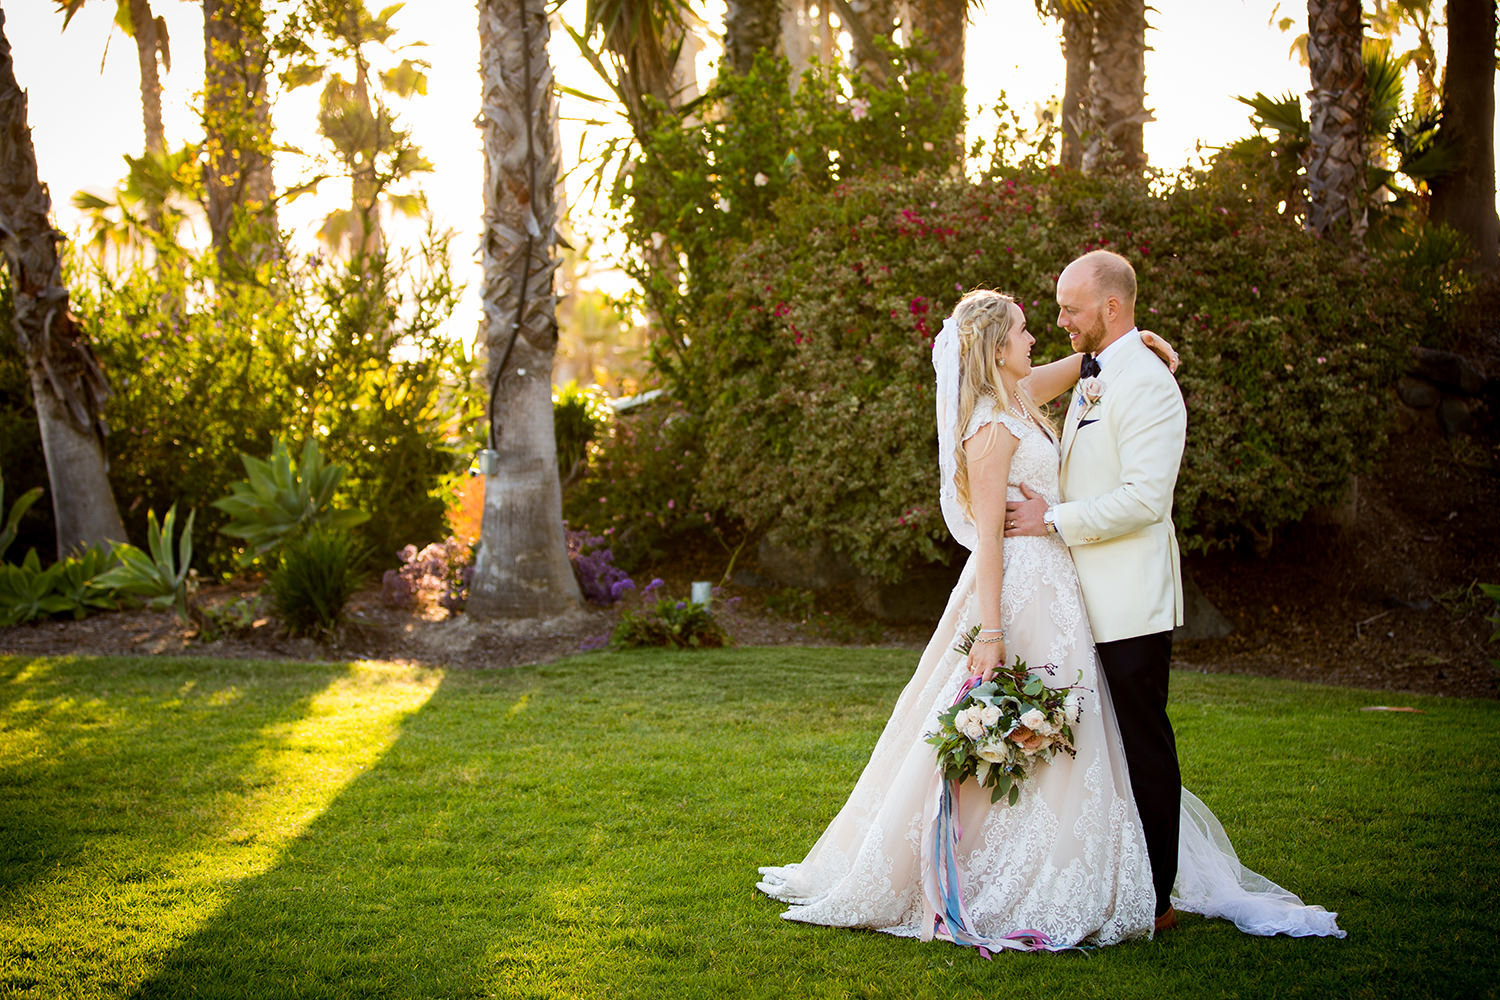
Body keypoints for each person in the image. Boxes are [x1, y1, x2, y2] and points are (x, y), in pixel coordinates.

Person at [756, 284, 1345, 953]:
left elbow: (1082, 366)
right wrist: (994, 631)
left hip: (1058, 586)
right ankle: (985, 870)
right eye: (1024, 331)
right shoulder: (989, 423)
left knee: (1073, 723)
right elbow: (989, 539)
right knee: (1021, 716)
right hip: (1014, 593)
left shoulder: (1019, 397)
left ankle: (1082, 861)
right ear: (997, 346)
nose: (1035, 337)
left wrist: (1129, 346)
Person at [1004, 248, 1186, 929]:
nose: (1061, 320)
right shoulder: (1100, 370)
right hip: (1085, 597)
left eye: (1071, 308)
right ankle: (1116, 876)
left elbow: (1144, 499)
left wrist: (1049, 520)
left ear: (1112, 307)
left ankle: (1158, 897)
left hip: (1131, 602)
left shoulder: (1147, 385)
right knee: (1102, 749)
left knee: (1142, 744)